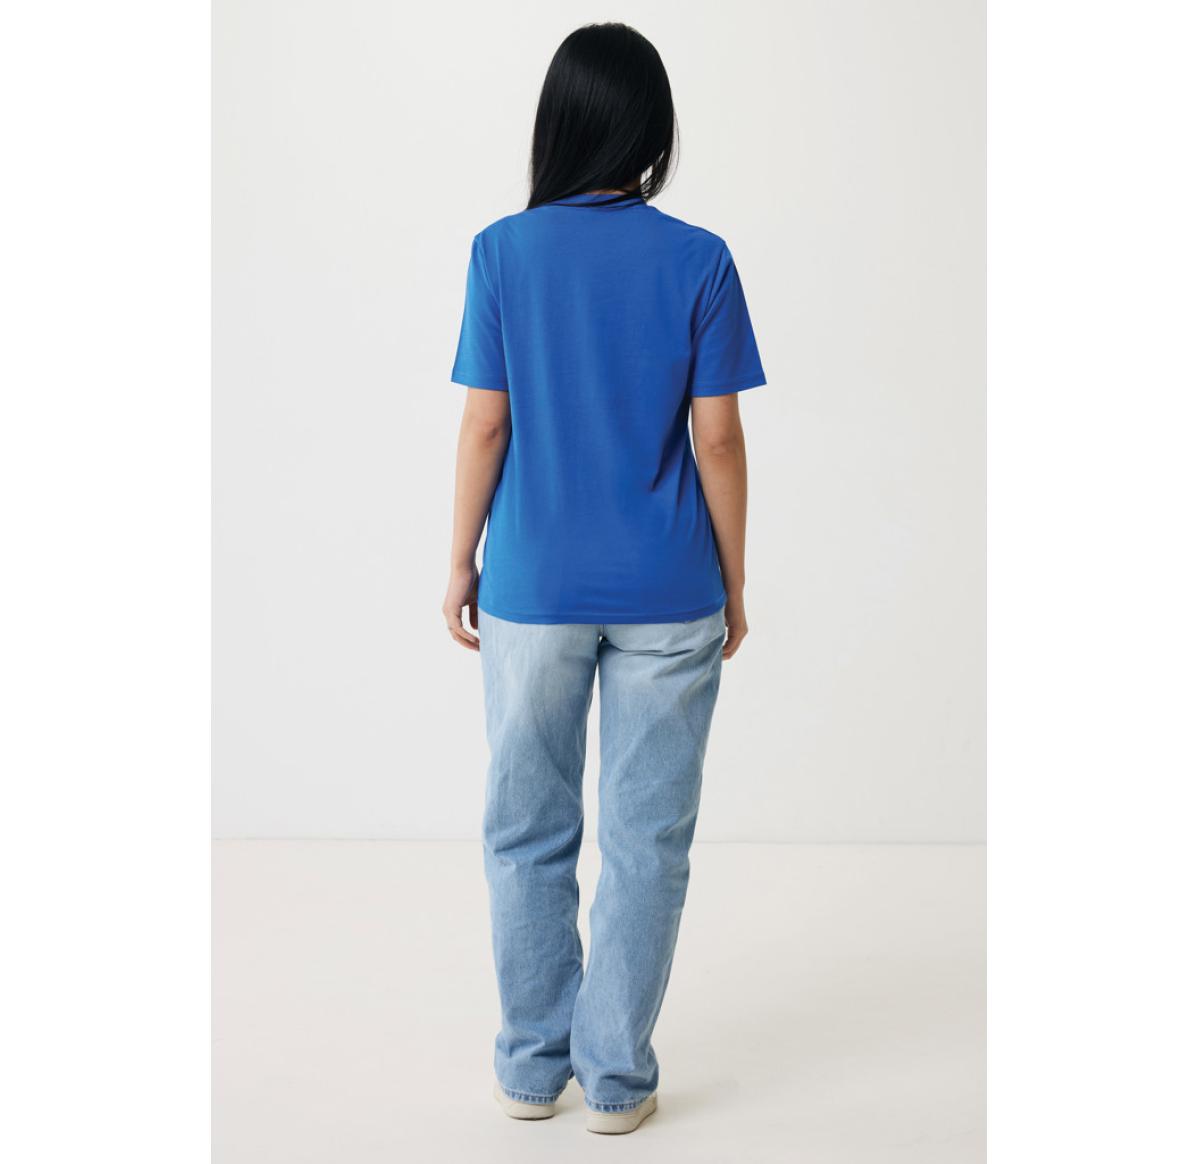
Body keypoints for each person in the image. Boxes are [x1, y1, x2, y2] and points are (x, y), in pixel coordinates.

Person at [444, 21, 765, 1136]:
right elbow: (717, 440)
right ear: (653, 133)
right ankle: (617, 1078)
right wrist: (733, 579)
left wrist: (460, 558)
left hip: (533, 587)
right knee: (647, 841)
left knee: (525, 828)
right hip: (669, 589)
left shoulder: (502, 252)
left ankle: (533, 1068)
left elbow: (487, 427)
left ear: (559, 125)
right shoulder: (699, 259)